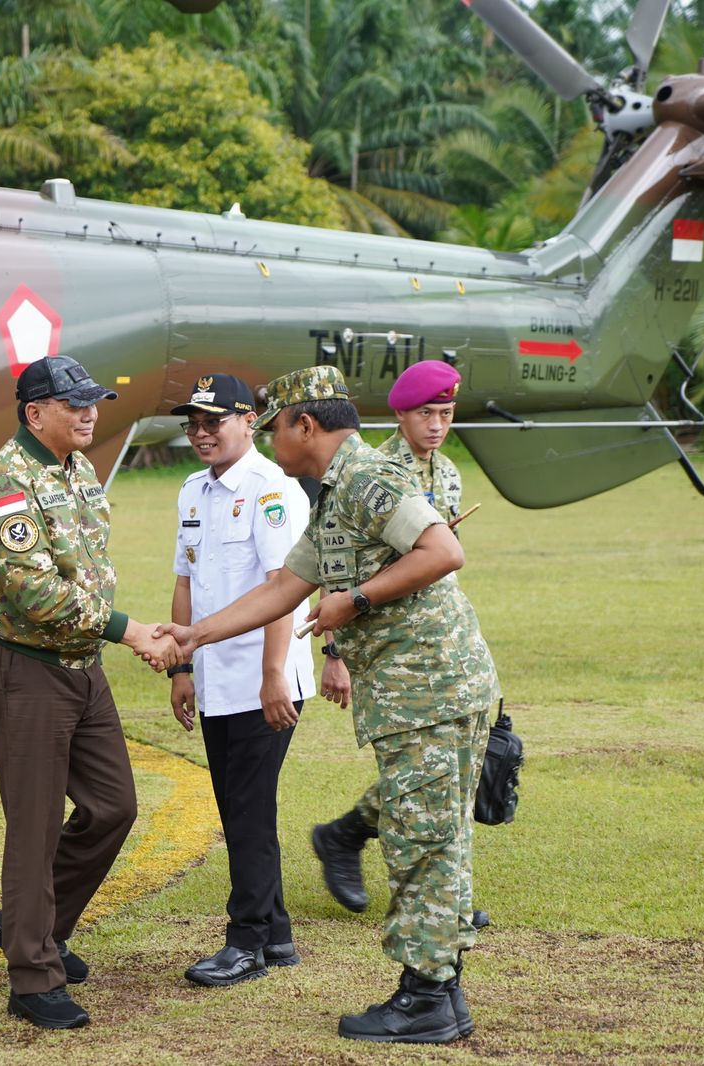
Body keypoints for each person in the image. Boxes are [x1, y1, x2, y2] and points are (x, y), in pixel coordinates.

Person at [158, 365, 498, 1045]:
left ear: (303, 425)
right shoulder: (339, 493)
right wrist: (195, 634)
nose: (267, 438)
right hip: (414, 694)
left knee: (423, 842)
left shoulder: (370, 479)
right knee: (427, 837)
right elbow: (285, 586)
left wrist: (357, 600)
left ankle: (427, 997)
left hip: (430, 689)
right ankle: (440, 994)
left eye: (273, 425)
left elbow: (444, 550)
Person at [0, 354, 179, 1030]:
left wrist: (112, 636)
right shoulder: (7, 482)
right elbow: (32, 591)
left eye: (93, 401)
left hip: (79, 666)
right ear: (35, 413)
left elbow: (86, 570)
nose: (90, 412)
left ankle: (31, 921)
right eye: (74, 403)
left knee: (114, 805)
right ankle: (33, 975)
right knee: (32, 828)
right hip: (28, 667)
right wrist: (129, 631)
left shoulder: (77, 469)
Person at [312, 360, 494, 934]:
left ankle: (449, 900)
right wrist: (335, 654)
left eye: (445, 413)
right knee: (421, 777)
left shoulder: (449, 474)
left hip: (444, 646)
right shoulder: (373, 472)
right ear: (400, 414)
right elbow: (339, 571)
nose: (436, 425)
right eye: (426, 413)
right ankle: (352, 842)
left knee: (456, 776)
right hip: (393, 655)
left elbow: (440, 566)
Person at [166, 373, 314, 987]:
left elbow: (283, 590)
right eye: (192, 424)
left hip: (264, 680)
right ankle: (275, 935)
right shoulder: (192, 491)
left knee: (248, 810)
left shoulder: (271, 490)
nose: (201, 433)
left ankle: (246, 941)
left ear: (247, 420)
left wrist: (274, 676)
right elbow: (185, 583)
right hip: (215, 676)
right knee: (238, 809)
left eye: (213, 421)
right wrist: (180, 668)